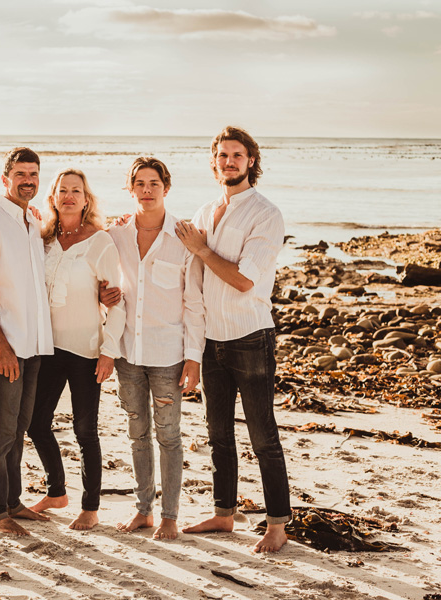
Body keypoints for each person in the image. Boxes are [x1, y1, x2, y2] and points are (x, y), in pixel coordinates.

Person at [175, 126, 291, 552]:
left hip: (250, 337)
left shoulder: (265, 214)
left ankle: (277, 523)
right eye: (222, 155)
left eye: (237, 155)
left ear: (251, 161)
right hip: (211, 342)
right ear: (213, 161)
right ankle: (224, 514)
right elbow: (191, 277)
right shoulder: (206, 213)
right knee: (218, 433)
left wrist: (202, 250)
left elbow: (243, 280)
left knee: (263, 435)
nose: (229, 162)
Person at [108, 156, 204, 540]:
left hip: (169, 355)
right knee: (137, 433)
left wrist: (194, 357)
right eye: (140, 184)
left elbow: (194, 302)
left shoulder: (183, 237)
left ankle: (169, 516)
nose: (146, 191)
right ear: (131, 189)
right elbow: (97, 273)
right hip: (127, 352)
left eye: (154, 183)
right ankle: (143, 510)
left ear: (166, 187)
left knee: (169, 435)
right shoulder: (115, 235)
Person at [26, 168, 126, 531]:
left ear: (86, 199)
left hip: (86, 349)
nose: (69, 196)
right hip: (48, 347)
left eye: (76, 191)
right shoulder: (43, 239)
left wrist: (109, 351)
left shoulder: (100, 241)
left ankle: (90, 506)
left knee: (86, 430)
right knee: (36, 423)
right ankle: (56, 493)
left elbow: (117, 302)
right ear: (52, 197)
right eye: (63, 190)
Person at [0, 147, 54, 536]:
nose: (28, 180)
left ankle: (13, 502)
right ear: (5, 179)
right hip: (8, 346)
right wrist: (0, 345)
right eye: (20, 174)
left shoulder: (32, 223)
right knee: (0, 431)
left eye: (33, 174)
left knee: (18, 429)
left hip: (35, 345)